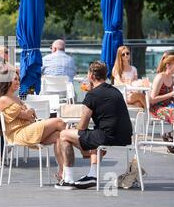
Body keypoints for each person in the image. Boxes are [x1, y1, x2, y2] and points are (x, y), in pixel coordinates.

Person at [56, 61, 133, 190]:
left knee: (64, 135)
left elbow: (82, 127)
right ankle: (93, 174)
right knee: (95, 132)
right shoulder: (116, 91)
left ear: (91, 76)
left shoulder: (92, 95)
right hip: (125, 137)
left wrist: (73, 131)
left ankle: (68, 179)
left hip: (107, 137)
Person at [0, 70, 65, 174]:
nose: (18, 82)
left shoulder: (16, 98)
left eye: (18, 79)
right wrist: (30, 111)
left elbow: (28, 117)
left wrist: (29, 113)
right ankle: (83, 145)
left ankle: (63, 172)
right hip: (18, 134)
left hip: (27, 129)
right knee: (59, 122)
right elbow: (27, 115)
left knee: (59, 136)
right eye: (15, 79)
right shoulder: (3, 99)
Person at [150, 54, 174, 156]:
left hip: (169, 106)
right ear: (168, 65)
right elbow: (152, 100)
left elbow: (170, 97)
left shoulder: (172, 78)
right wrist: (172, 94)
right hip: (157, 108)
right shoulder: (160, 77)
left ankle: (170, 135)